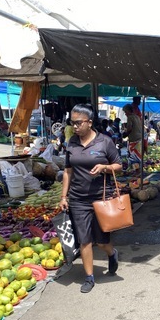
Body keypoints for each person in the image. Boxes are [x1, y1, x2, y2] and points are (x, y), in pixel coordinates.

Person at [58, 104, 122, 293]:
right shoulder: (71, 143)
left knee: (101, 241)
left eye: (78, 123)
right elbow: (68, 171)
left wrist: (104, 167)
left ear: (90, 122)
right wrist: (64, 196)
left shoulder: (104, 142)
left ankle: (112, 253)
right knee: (84, 240)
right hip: (78, 199)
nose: (75, 126)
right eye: (72, 123)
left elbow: (118, 165)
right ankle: (89, 277)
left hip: (101, 198)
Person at [122, 104, 143, 171]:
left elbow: (129, 128)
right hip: (139, 139)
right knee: (138, 157)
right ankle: (138, 171)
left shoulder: (130, 117)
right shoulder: (137, 117)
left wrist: (125, 134)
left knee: (134, 158)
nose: (125, 114)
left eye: (125, 112)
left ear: (128, 111)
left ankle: (136, 172)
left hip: (134, 140)